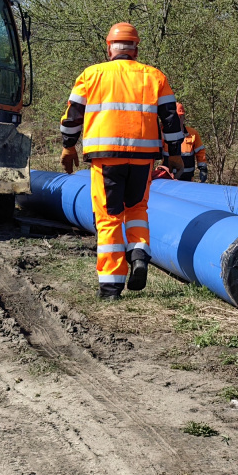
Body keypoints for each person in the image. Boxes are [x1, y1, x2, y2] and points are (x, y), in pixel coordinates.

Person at [60, 22, 184, 299]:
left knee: (109, 218)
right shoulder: (154, 76)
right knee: (137, 209)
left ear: (109, 48)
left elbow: (72, 118)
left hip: (106, 159)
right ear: (136, 49)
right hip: (143, 159)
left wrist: (68, 147)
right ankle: (139, 254)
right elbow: (171, 119)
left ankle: (111, 287)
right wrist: (174, 152)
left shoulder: (91, 75)